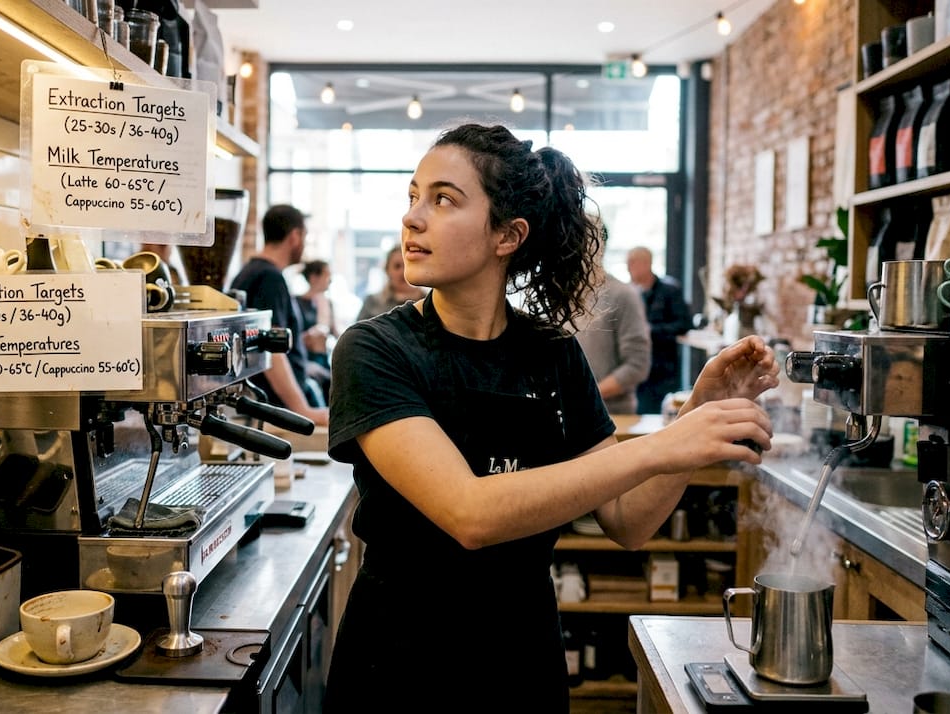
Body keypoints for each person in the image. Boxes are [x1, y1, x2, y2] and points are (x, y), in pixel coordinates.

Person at [324, 123, 778, 713]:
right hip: (401, 664)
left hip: (522, 660)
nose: (412, 218)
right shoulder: (376, 349)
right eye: (414, 196)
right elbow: (469, 512)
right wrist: (663, 445)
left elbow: (627, 519)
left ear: (508, 235)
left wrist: (700, 413)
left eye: (443, 199)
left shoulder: (551, 354)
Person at [228, 205, 328, 426]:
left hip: (262, 406)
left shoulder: (249, 272)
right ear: (295, 236)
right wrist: (304, 410)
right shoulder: (270, 278)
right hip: (273, 410)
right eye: (304, 236)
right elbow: (271, 349)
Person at [574, 228, 652, 415]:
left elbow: (637, 365)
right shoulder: (558, 295)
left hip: (610, 416)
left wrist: (586, 397)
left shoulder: (622, 294)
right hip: (565, 418)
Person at [627, 246, 693, 415]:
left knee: (663, 414)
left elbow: (684, 324)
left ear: (646, 263)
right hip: (637, 367)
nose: (628, 268)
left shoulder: (670, 290)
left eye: (632, 263)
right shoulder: (629, 293)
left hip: (663, 368)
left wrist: (650, 330)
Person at [354, 244, 427, 321]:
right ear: (387, 270)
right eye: (397, 266)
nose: (403, 272)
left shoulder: (430, 302)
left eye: (408, 265)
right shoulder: (372, 302)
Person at [297, 259, 336, 399]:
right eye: (327, 275)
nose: (330, 280)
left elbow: (334, 332)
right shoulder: (297, 302)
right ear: (314, 278)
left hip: (323, 358)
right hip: (305, 359)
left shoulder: (327, 303)